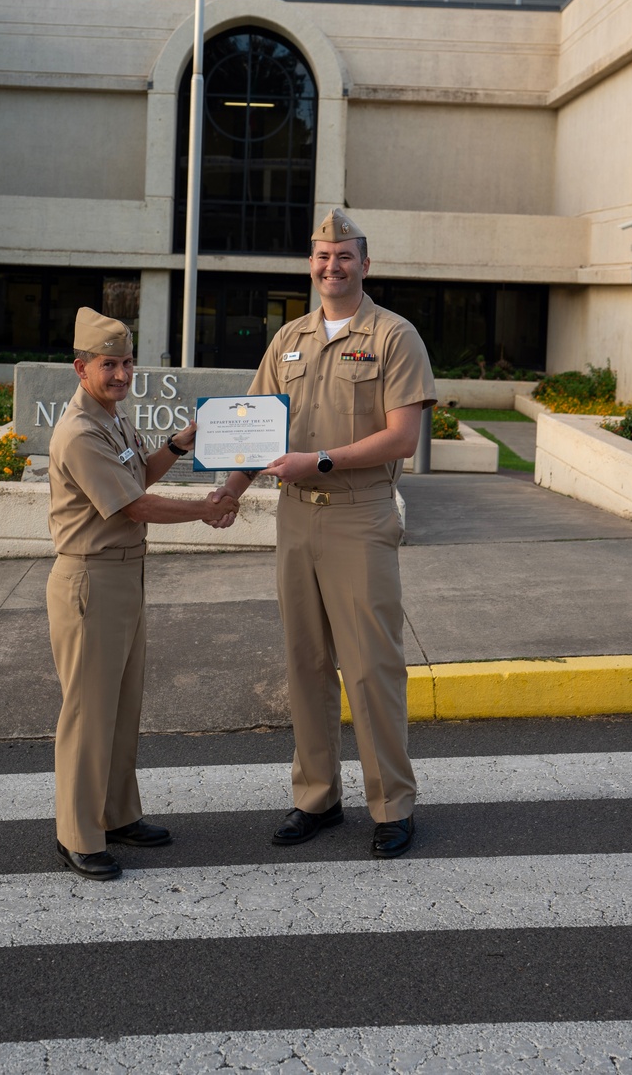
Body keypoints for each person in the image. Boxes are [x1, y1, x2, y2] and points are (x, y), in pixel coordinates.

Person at [211, 209, 436, 858]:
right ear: (312, 265)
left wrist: (325, 460)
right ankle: (316, 797)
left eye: (344, 256)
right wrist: (229, 491)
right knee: (305, 665)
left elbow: (402, 437)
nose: (331, 266)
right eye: (322, 256)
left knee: (370, 668)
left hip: (359, 515)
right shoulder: (290, 339)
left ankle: (392, 804)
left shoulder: (394, 337)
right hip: (295, 517)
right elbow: (254, 431)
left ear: (365, 264)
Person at [47, 306, 237, 882]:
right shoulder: (80, 431)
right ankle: (78, 834)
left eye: (128, 363)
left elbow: (141, 477)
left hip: (125, 577)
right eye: (110, 365)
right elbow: (134, 506)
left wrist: (183, 440)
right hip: (91, 580)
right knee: (87, 712)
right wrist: (206, 510)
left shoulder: (111, 418)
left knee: (123, 708)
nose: (123, 375)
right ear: (81, 368)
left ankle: (117, 813)